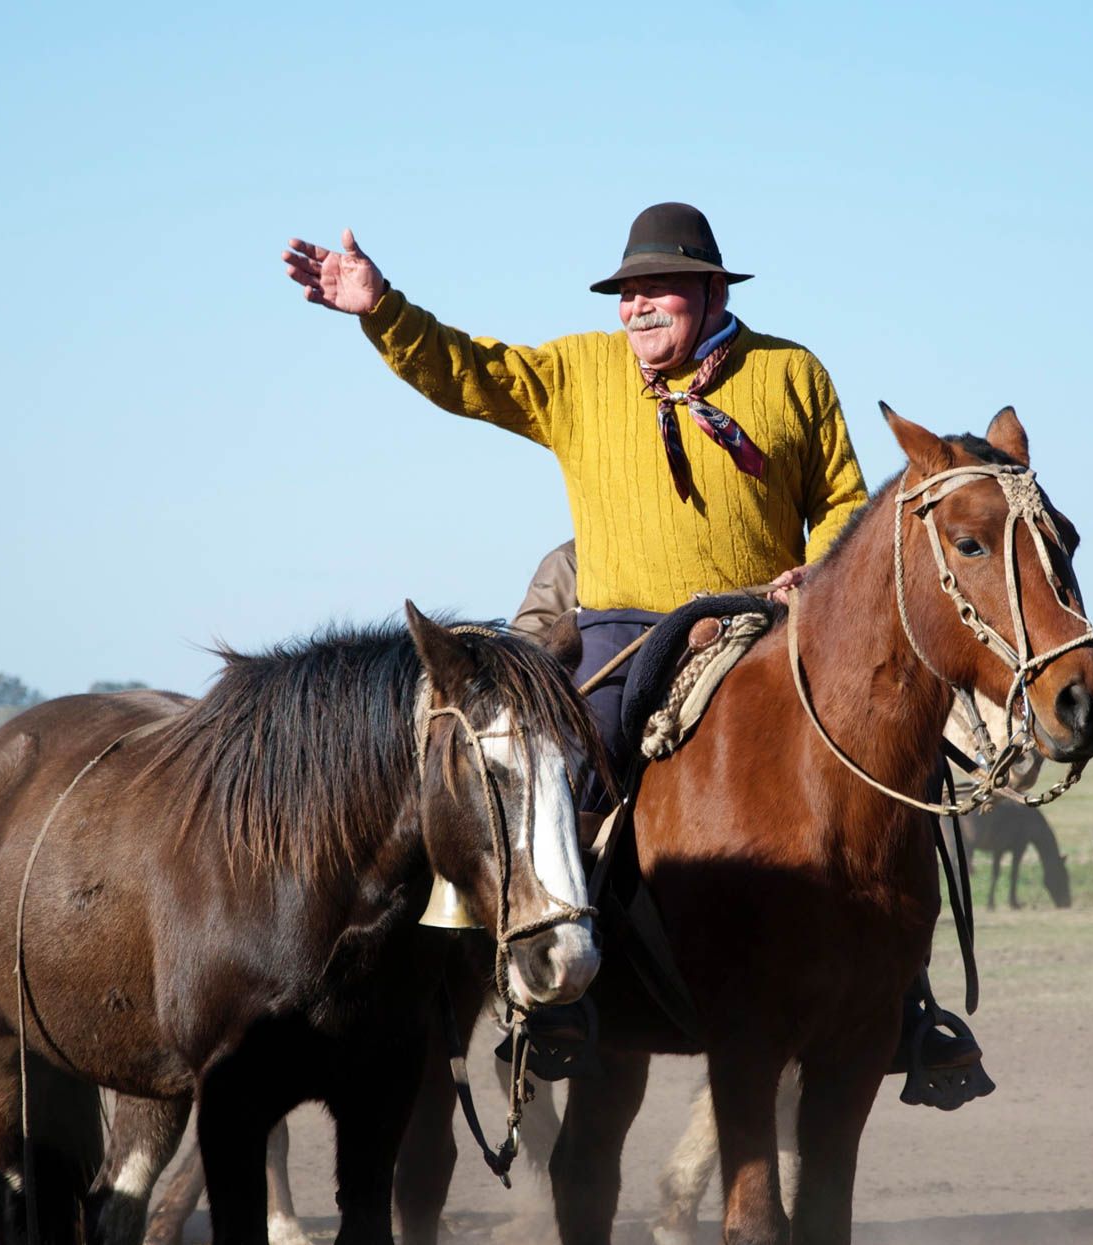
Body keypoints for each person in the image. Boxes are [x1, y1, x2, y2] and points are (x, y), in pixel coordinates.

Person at [284, 202, 868, 805]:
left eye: (658, 288)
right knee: (569, 788)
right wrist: (382, 309)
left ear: (714, 293)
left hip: (762, 623)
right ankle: (576, 868)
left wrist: (815, 576)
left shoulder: (791, 371)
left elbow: (840, 498)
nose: (638, 307)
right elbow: (471, 372)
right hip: (622, 631)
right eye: (628, 293)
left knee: (869, 755)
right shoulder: (579, 371)